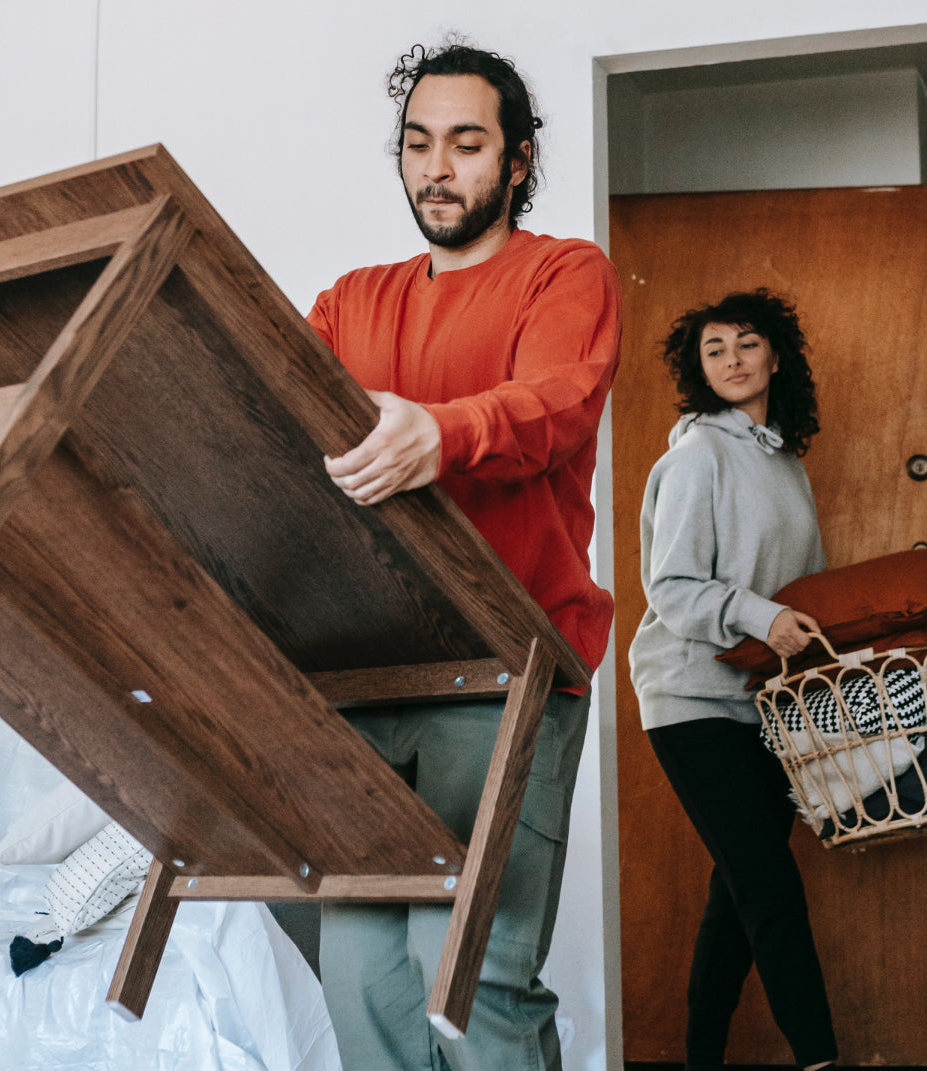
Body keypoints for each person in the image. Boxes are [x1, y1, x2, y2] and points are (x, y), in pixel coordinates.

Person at [305, 40, 622, 1071]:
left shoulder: (566, 273)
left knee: (473, 978)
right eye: (418, 144)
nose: (438, 168)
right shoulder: (350, 301)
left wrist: (438, 434)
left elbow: (557, 408)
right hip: (359, 674)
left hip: (504, 669)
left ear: (518, 161)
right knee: (359, 986)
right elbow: (279, 423)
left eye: (467, 144)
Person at [627, 289, 837, 1071]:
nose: (733, 361)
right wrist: (759, 615)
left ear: (775, 356)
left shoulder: (784, 459)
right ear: (698, 369)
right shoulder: (696, 457)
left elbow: (803, 588)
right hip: (689, 699)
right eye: (714, 350)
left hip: (765, 704)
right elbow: (672, 587)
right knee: (771, 887)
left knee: (737, 895)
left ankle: (700, 1059)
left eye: (746, 345)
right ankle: (821, 1058)